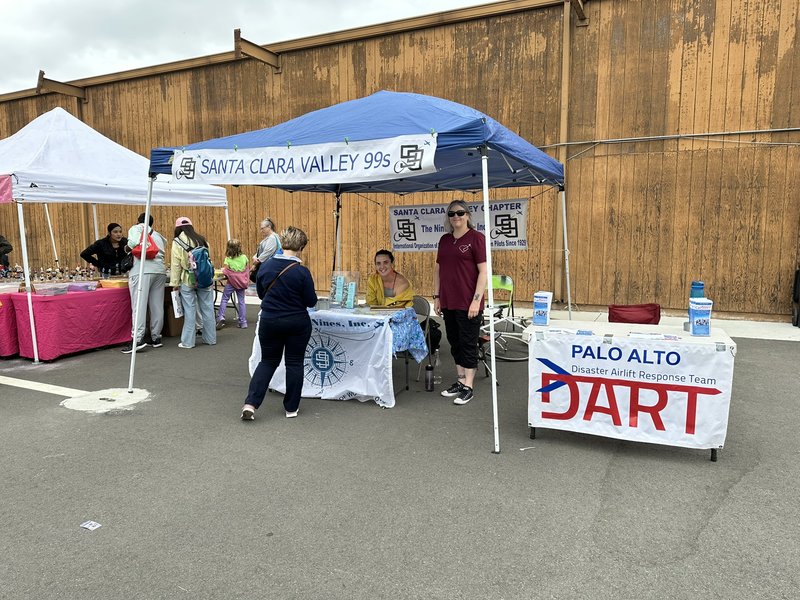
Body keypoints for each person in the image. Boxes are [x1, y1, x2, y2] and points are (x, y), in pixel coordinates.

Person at [241, 226, 317, 421]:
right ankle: (291, 408)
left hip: (270, 319)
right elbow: (311, 301)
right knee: (294, 362)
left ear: (282, 244)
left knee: (267, 362)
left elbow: (261, 294)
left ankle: (250, 403)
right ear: (301, 247)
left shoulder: (265, 266)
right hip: (297, 321)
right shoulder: (302, 272)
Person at [433, 200, 487, 406]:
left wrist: (476, 301)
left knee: (468, 343)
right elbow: (438, 269)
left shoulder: (476, 238)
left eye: (460, 212)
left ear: (468, 215)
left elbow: (483, 272)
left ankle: (469, 386)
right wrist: (437, 296)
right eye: (452, 213)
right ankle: (460, 380)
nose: (456, 216)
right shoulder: (445, 240)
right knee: (454, 341)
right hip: (448, 301)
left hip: (468, 302)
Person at [170, 217, 217, 349]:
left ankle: (188, 342)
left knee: (190, 311)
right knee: (208, 309)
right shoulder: (202, 240)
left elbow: (176, 264)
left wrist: (175, 283)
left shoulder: (177, 242)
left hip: (188, 279)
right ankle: (210, 339)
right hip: (204, 279)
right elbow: (208, 260)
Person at [124, 213, 167, 353]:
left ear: (138, 221)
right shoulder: (159, 236)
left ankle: (137, 339)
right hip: (160, 271)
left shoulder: (136, 229)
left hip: (142, 270)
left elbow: (132, 243)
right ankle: (156, 337)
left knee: (139, 305)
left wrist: (126, 249)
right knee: (157, 305)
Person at [216, 238, 249, 329]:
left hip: (231, 283)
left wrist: (223, 270)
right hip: (241, 282)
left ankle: (221, 316)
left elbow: (226, 271)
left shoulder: (228, 259)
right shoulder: (244, 257)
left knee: (224, 299)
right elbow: (246, 268)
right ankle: (243, 322)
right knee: (241, 301)